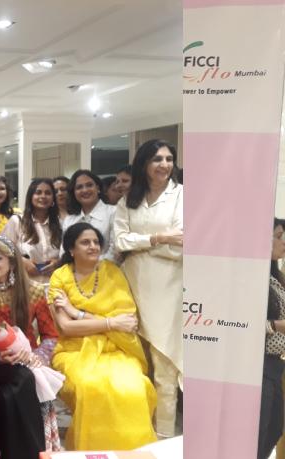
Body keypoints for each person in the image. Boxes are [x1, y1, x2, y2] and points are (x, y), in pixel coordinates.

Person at [48, 222, 156, 450]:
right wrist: (110, 322)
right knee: (90, 386)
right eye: (85, 242)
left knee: (135, 386)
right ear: (71, 249)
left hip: (117, 349)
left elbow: (127, 323)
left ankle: (133, 451)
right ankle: (94, 451)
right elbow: (66, 328)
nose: (93, 246)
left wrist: (77, 313)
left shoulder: (112, 272)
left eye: (96, 242)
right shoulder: (60, 277)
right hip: (74, 350)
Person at [0, 235, 61, 458]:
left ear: (12, 260)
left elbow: (50, 336)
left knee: (20, 383)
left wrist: (36, 357)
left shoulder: (34, 290)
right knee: (15, 386)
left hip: (28, 363)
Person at [113, 139, 183, 438]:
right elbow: (119, 242)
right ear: (143, 164)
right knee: (135, 365)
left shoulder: (182, 195)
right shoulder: (129, 200)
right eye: (157, 159)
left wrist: (140, 243)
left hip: (169, 287)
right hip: (130, 286)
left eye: (168, 159)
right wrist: (158, 239)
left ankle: (164, 437)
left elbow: (181, 244)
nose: (164, 165)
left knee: (165, 367)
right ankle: (137, 433)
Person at [258, 219, 285, 459]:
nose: (282, 242)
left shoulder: (275, 276)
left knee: (275, 425)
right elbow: (241, 324)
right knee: (260, 429)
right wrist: (277, 326)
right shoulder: (254, 278)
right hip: (260, 363)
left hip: (276, 364)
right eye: (278, 236)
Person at [1, 179, 62, 284]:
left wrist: (57, 263)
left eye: (48, 193)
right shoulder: (17, 221)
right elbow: (2, 250)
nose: (43, 196)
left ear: (53, 198)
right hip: (25, 285)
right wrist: (22, 261)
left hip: (54, 285)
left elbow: (68, 253)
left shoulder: (60, 224)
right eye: (38, 192)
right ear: (30, 197)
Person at [61, 170, 117, 261]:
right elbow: (64, 251)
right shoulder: (69, 220)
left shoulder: (114, 212)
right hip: (75, 269)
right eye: (79, 187)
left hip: (106, 268)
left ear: (98, 188)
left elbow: (115, 251)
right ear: (74, 192)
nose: (85, 190)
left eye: (89, 185)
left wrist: (89, 265)